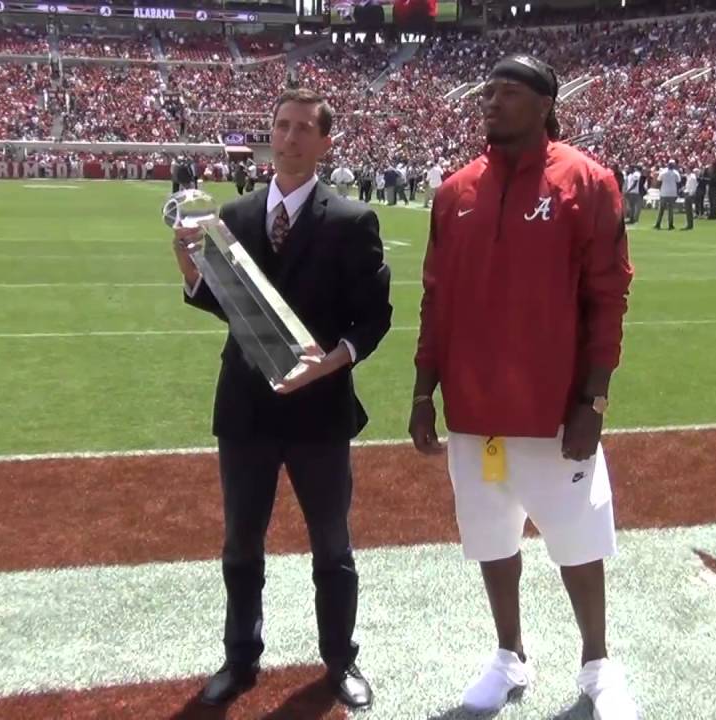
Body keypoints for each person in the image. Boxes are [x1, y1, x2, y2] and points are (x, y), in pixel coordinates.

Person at [410, 54, 638, 719]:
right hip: (474, 412)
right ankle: (509, 655)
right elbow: (435, 298)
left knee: (579, 541)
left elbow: (609, 296)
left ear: (544, 104)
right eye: (488, 92)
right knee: (490, 539)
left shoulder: (588, 182)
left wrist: (594, 398)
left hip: (555, 411)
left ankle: (597, 662)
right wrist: (425, 390)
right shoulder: (455, 192)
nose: (492, 102)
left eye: (508, 92)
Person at [171, 88, 392, 710]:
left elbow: (373, 318)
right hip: (245, 408)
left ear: (325, 143)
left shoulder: (352, 221)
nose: (290, 137)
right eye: (282, 125)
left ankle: (340, 662)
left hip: (320, 413)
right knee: (241, 541)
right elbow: (233, 308)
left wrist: (335, 360)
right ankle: (240, 660)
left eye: (303, 129)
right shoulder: (235, 217)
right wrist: (193, 275)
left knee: (333, 546)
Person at [654, 160, 681, 230]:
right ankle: (670, 225)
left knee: (661, 209)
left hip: (664, 193)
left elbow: (658, 182)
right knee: (670, 210)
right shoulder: (676, 173)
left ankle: (658, 223)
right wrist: (677, 192)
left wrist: (660, 189)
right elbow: (678, 183)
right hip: (672, 193)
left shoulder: (663, 172)